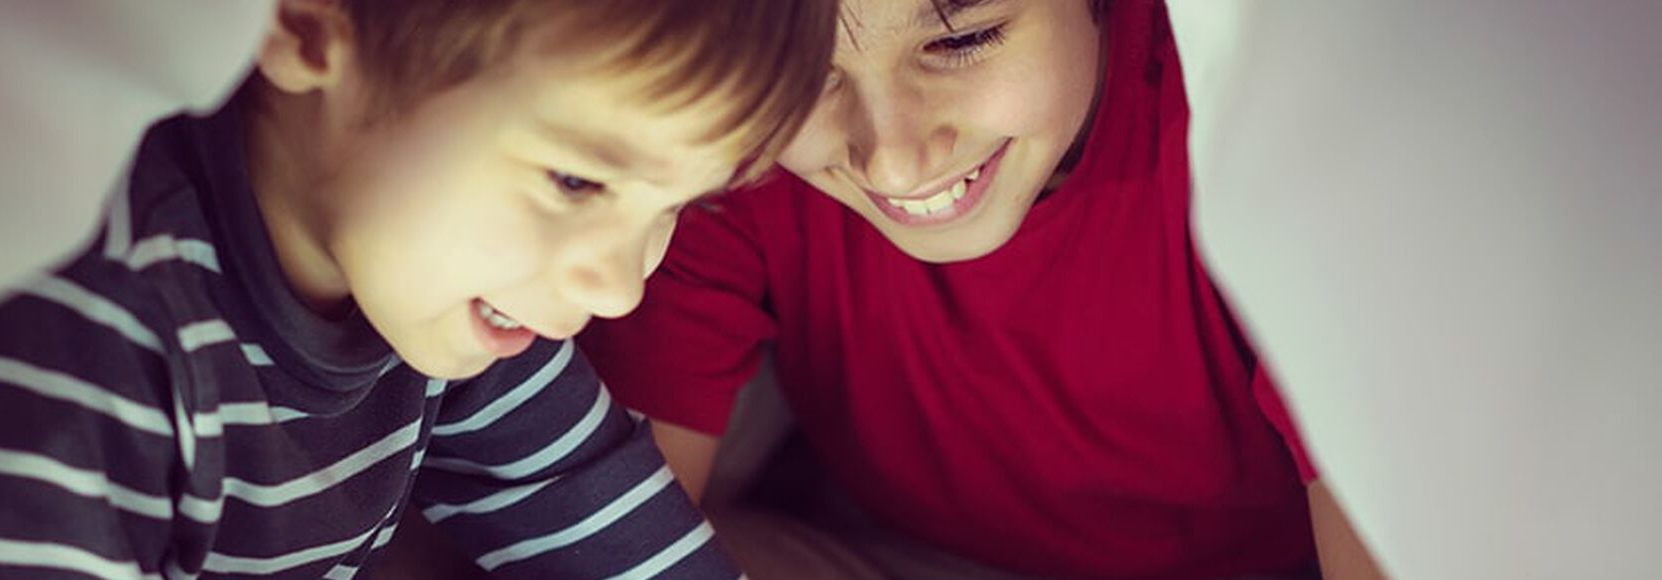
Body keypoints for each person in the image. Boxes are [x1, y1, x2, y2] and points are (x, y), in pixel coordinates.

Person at [0, 0, 832, 577]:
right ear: (312, 28)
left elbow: (587, 503)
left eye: (676, 209)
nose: (618, 284)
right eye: (577, 179)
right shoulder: (82, 334)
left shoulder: (448, 284)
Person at [580, 0, 1382, 577]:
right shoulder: (742, 147)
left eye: (961, 40)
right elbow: (608, 529)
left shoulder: (1257, 135)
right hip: (910, 551)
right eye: (802, 75)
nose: (892, 159)